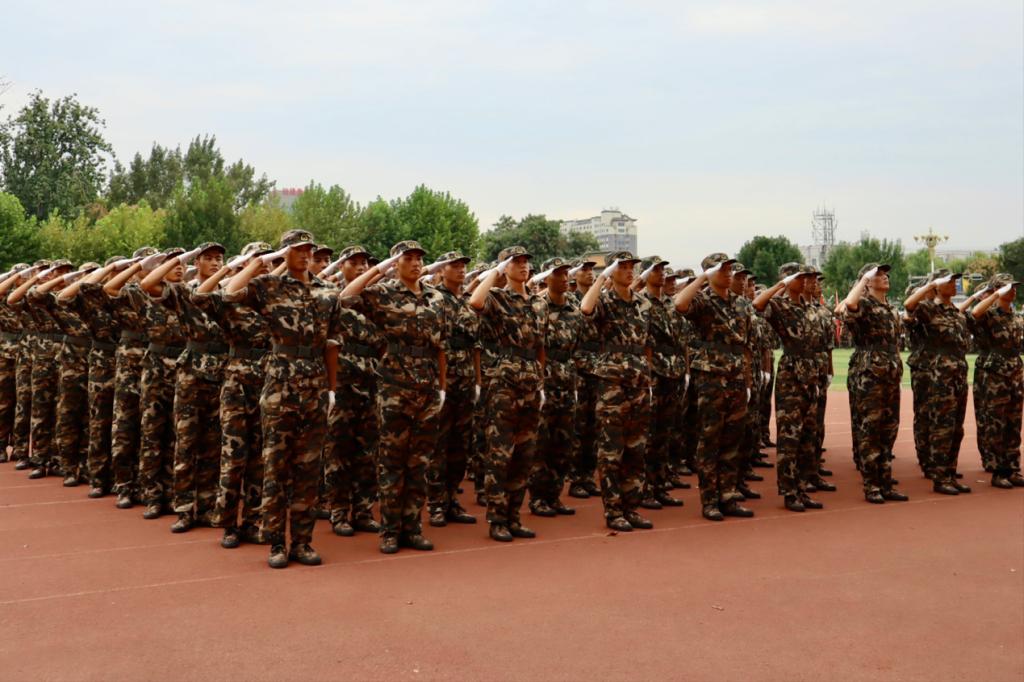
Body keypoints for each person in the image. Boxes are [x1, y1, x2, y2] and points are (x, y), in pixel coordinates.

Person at [226, 229, 343, 568]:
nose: (306, 254)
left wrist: (332, 389)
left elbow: (332, 343)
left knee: (308, 469)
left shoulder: (328, 292)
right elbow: (229, 293)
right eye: (298, 249)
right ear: (285, 253)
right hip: (280, 386)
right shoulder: (269, 286)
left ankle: (303, 542)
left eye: (309, 249)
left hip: (315, 386)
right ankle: (276, 542)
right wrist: (261, 262)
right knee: (276, 467)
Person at [341, 240, 446, 554]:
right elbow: (346, 297)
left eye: (418, 258)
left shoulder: (436, 298)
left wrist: (442, 387)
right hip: (394, 389)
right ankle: (389, 531)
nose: (415, 263)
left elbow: (441, 345)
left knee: (419, 462)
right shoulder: (383, 293)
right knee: (391, 462)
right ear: (395, 264)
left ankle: (412, 528)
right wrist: (378, 270)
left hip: (427, 387)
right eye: (407, 258)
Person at [192, 242, 274, 548]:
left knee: (260, 458)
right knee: (234, 456)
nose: (263, 266)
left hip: (268, 382)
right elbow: (200, 296)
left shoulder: (273, 297)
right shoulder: (228, 298)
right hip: (237, 384)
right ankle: (228, 523)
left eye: (266, 261)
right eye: (256, 261)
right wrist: (232, 268)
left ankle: (253, 520)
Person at [140, 243, 227, 532]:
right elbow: (148, 283)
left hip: (222, 371)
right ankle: (185, 508)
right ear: (196, 263)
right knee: (187, 441)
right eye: (208, 258)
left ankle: (209, 505)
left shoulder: (228, 291)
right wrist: (180, 258)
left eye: (219, 259)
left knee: (213, 445)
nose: (215, 263)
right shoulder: (184, 291)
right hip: (192, 373)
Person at [469, 246, 546, 542]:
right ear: (505, 268)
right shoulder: (497, 298)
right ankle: (497, 519)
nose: (523, 266)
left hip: (531, 381)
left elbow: (541, 345)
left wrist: (541, 382)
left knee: (525, 454)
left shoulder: (538, 302)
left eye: (526, 261)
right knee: (500, 454)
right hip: (504, 381)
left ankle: (514, 516)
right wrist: (495, 273)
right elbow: (475, 302)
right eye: (516, 262)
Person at [674, 253, 755, 521]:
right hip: (710, 379)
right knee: (710, 440)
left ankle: (728, 496)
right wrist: (701, 279)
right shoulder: (702, 300)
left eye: (730, 269)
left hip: (736, 377)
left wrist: (748, 381)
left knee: (733, 439)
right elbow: (679, 304)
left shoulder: (741, 303)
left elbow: (746, 345)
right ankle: (709, 500)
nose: (729, 273)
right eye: (723, 270)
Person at [579, 251, 656, 532]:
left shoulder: (643, 303)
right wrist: (602, 277)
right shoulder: (604, 301)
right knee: (611, 450)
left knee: (637, 448)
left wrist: (648, 380)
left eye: (631, 266)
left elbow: (647, 344)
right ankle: (613, 511)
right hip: (612, 383)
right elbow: (585, 309)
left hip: (639, 381)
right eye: (622, 266)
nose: (629, 270)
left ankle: (631, 507)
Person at [752, 263, 825, 511]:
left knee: (808, 436)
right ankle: (789, 491)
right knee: (790, 437)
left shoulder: (811, 307)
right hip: (791, 374)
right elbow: (757, 305)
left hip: (811, 373)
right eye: (801, 277)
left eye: (808, 278)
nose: (806, 281)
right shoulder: (779, 305)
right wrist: (781, 284)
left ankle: (802, 488)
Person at [323, 245, 384, 537]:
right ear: (342, 266)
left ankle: (363, 510)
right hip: (343, 384)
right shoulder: (332, 296)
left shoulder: (377, 303)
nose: (361, 267)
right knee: (339, 450)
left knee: (368, 451)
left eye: (365, 264)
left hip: (371, 383)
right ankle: (338, 511)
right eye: (355, 263)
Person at [58, 256, 128, 498]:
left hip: (130, 365)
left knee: (125, 427)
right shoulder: (91, 300)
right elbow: (65, 297)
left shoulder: (129, 297)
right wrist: (108, 268)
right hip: (102, 365)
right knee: (98, 422)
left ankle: (123, 479)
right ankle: (96, 477)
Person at [840, 263, 909, 503]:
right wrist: (863, 280)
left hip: (890, 372)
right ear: (868, 281)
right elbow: (849, 305)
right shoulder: (864, 304)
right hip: (869, 373)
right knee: (870, 429)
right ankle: (872, 486)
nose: (885, 277)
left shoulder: (890, 308)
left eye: (886, 274)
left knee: (889, 428)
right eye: (878, 275)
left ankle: (885, 482)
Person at [904, 269, 972, 495]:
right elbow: (909, 305)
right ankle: (940, 476)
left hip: (958, 374)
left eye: (955, 281)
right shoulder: (928, 308)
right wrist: (930, 285)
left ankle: (950, 472)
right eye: (948, 281)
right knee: (941, 426)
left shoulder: (955, 312)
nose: (954, 284)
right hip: (938, 376)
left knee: (956, 428)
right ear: (937, 286)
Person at [8, 259, 75, 479]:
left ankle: (57, 459)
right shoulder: (38, 297)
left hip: (67, 357)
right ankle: (37, 458)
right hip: (43, 357)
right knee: (40, 409)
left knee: (61, 412)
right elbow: (12, 298)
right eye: (58, 271)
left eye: (67, 271)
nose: (62, 275)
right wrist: (37, 278)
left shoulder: (72, 296)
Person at [103, 247, 159, 509]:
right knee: (125, 424)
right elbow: (109, 288)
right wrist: (136, 266)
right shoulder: (130, 292)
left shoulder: (167, 293)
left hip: (158, 365)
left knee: (153, 429)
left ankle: (150, 487)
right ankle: (124, 484)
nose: (152, 267)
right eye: (150, 263)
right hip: (130, 365)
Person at [428, 250, 479, 527]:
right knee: (440, 443)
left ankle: (451, 499)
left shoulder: (468, 301)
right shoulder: (433, 298)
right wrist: (440, 384)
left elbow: (475, 344)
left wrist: (478, 381)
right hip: (444, 380)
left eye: (463, 266)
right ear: (441, 270)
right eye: (454, 265)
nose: (461, 270)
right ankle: (436, 503)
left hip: (466, 379)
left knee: (461, 444)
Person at [528, 257, 582, 518]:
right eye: (558, 274)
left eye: (566, 274)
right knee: (541, 443)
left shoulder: (573, 307)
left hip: (567, 380)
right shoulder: (537, 306)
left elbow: (578, 345)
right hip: (544, 380)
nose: (564, 279)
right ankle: (538, 498)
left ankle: (554, 495)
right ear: (546, 278)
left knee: (564, 443)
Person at [637, 256, 685, 510]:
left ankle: (660, 484)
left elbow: (681, 338)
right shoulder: (640, 302)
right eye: (656, 270)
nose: (662, 273)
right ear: (645, 274)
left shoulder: (670, 303)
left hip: (672, 372)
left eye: (663, 269)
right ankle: (644, 489)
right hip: (652, 372)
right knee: (648, 434)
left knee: (665, 433)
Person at [968, 274, 1023, 488]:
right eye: (1008, 288)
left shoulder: (1016, 317)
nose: (1013, 291)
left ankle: (1013, 468)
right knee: (995, 424)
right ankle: (998, 471)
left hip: (1015, 373)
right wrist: (993, 295)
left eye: (1014, 287)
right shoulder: (988, 314)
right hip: (994, 375)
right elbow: (974, 313)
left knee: (1014, 423)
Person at [568, 259, 602, 499]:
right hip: (578, 367)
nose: (589, 273)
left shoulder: (600, 299)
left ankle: (588, 476)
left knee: (594, 426)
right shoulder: (570, 301)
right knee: (578, 427)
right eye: (584, 270)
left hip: (598, 367)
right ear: (574, 275)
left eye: (591, 270)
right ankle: (575, 478)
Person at [0, 264, 30, 463]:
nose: (24, 277)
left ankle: (21, 447)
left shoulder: (31, 297)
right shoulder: (5, 297)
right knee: (4, 402)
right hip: (5, 354)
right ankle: (1, 445)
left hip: (27, 354)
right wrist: (13, 274)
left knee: (24, 403)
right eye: (22, 275)